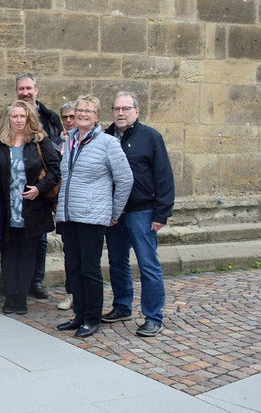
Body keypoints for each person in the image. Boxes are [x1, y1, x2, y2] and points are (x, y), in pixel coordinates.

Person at [55, 95, 132, 338]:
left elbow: (125, 179)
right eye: (79, 110)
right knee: (73, 268)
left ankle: (91, 317)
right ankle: (79, 314)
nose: (82, 114)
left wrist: (114, 212)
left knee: (90, 269)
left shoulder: (108, 143)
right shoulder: (68, 141)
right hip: (69, 216)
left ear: (97, 116)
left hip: (91, 216)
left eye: (88, 111)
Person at [102, 91, 175, 337]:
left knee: (147, 264)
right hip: (114, 212)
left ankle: (153, 316)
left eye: (125, 108)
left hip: (142, 211)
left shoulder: (150, 137)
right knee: (117, 262)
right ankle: (122, 306)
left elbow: (164, 175)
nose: (120, 113)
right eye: (116, 109)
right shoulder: (106, 136)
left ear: (137, 111)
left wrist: (161, 213)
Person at [0, 100, 60, 316]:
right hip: (8, 209)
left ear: (29, 118)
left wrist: (39, 189)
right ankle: (10, 296)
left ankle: (21, 298)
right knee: (9, 254)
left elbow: (55, 172)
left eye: (22, 116)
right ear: (8, 119)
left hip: (32, 208)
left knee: (28, 254)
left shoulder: (40, 142)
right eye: (14, 116)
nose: (18, 120)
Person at [15, 73, 64, 300]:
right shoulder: (12, 114)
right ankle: (18, 281)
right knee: (17, 237)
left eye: (28, 88)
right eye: (21, 89)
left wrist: (43, 186)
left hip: (41, 188)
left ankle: (36, 280)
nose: (25, 92)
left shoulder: (50, 117)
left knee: (41, 238)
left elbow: (55, 151)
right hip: (18, 188)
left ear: (37, 90)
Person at [55, 100, 77, 311]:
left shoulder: (89, 141)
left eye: (73, 116)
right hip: (63, 206)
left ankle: (83, 296)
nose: (69, 121)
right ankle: (71, 292)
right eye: (65, 117)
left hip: (84, 207)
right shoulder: (58, 142)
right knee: (69, 253)